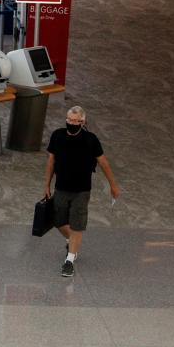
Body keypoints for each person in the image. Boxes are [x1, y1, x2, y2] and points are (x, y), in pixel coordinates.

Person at [44, 105, 121, 277]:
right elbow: (51, 162)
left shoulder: (90, 139)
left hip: (82, 190)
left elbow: (103, 163)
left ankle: (70, 259)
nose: (71, 123)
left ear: (83, 121)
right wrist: (46, 185)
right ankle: (71, 241)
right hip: (61, 187)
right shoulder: (57, 136)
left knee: (77, 224)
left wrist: (113, 185)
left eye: (75, 121)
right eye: (69, 120)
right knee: (57, 219)